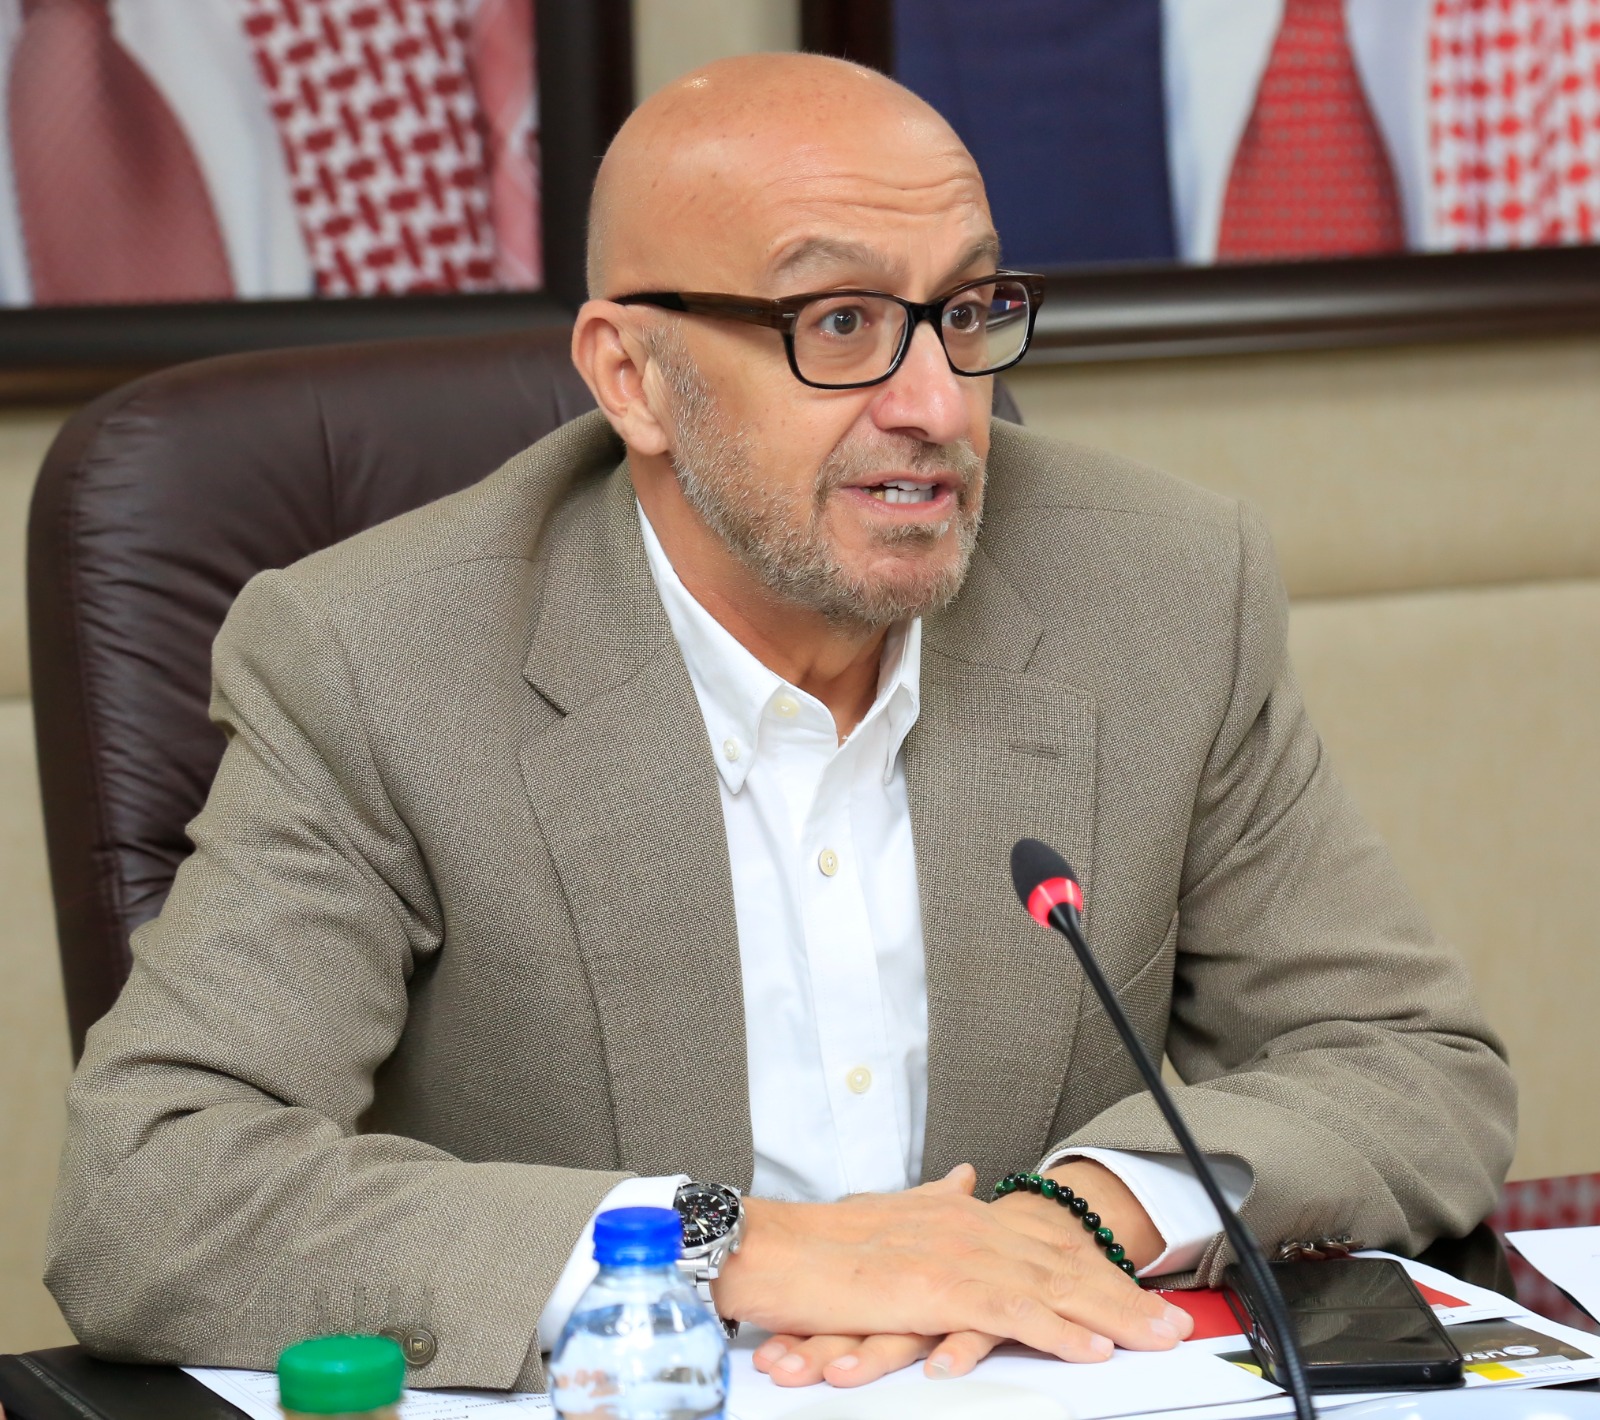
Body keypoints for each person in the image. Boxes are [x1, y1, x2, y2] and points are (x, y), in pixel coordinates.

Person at [46, 53, 1514, 1395]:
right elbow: (152, 1193)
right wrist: (747, 1247)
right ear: (633, 379)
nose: (937, 404)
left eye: (966, 312)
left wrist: (1084, 1209)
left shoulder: (1160, 592)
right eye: (841, 324)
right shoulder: (378, 659)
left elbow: (1410, 1064)